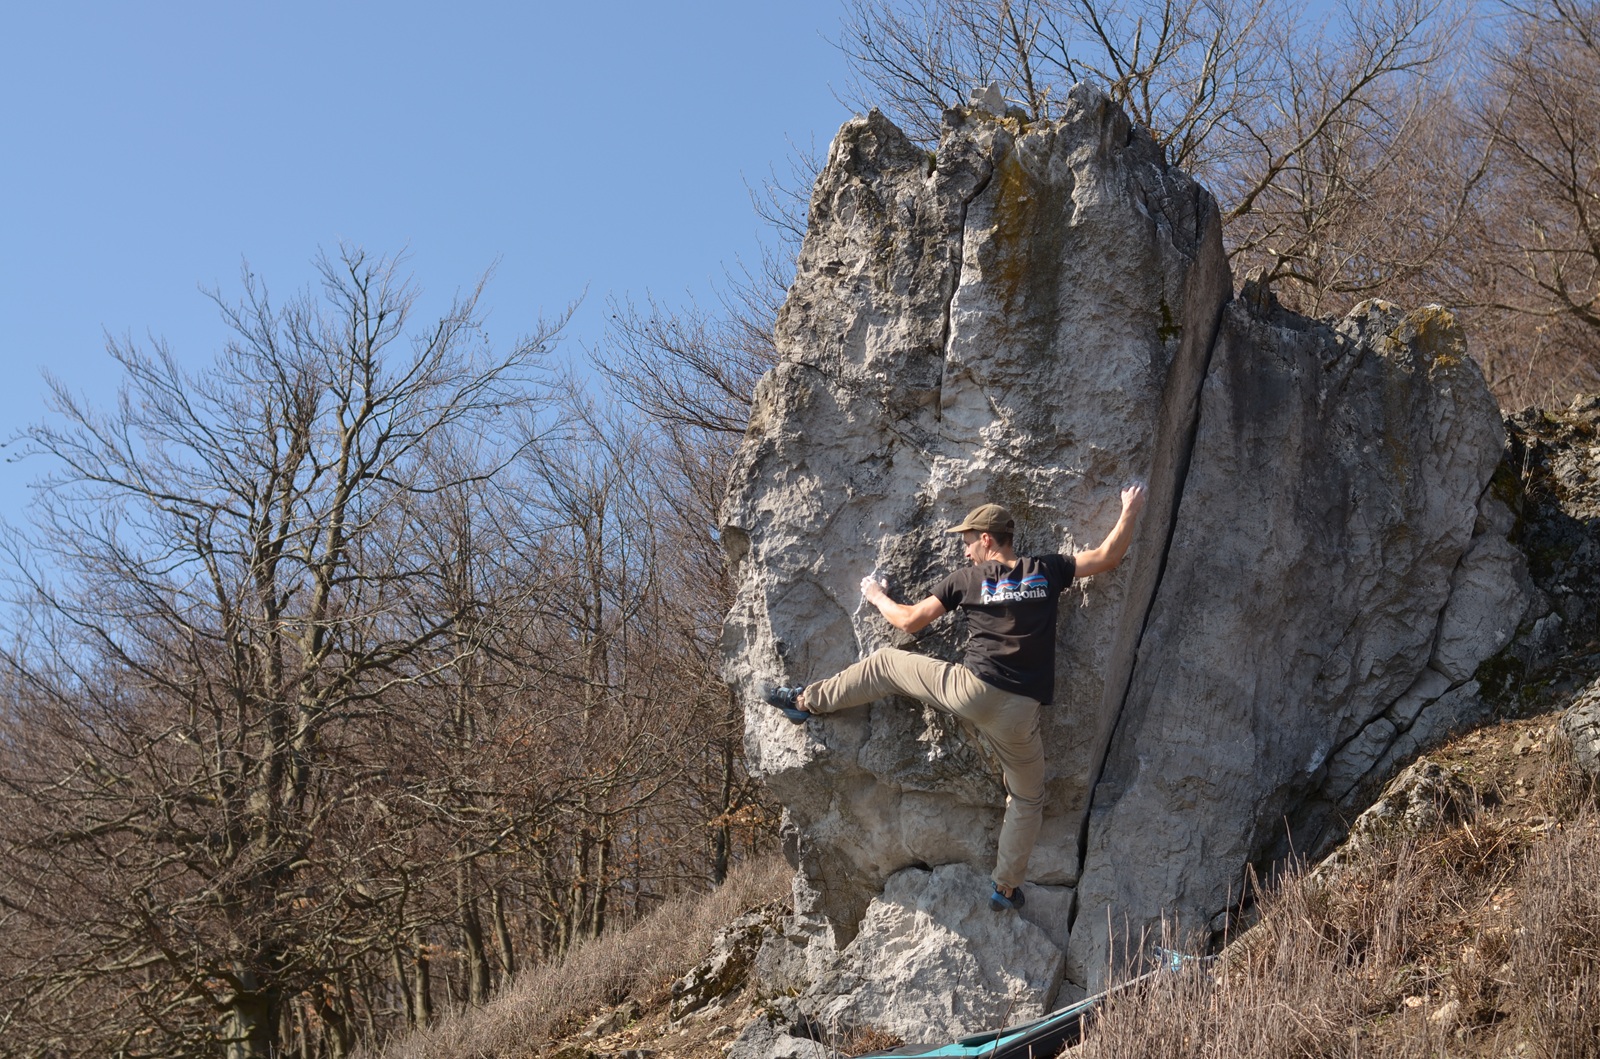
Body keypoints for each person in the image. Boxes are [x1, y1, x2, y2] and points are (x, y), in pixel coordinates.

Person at [765, 485, 1148, 912]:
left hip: (972, 690)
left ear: (986, 539)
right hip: (1020, 710)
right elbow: (1108, 556)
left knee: (886, 663)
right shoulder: (1047, 569)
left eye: (968, 542)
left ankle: (805, 702)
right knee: (1027, 798)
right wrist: (1130, 509)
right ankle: (1005, 888)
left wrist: (875, 594)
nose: (965, 552)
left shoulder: (967, 580)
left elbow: (910, 621)